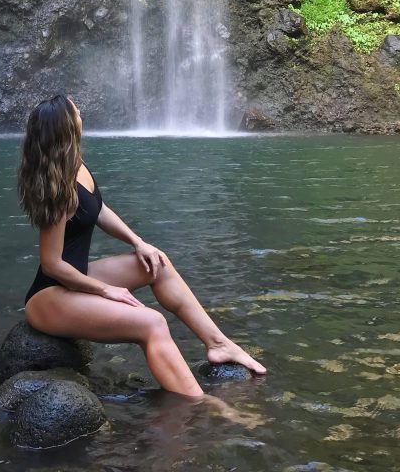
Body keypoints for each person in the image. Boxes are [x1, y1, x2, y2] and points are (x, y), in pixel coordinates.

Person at [18, 93, 266, 399]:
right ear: (66, 127)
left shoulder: (76, 165)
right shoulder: (58, 189)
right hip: (49, 296)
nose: (80, 110)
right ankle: (198, 406)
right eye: (75, 110)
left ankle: (217, 343)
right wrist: (105, 290)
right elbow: (52, 264)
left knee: (157, 263)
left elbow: (99, 209)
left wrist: (139, 243)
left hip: (75, 280)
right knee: (152, 323)